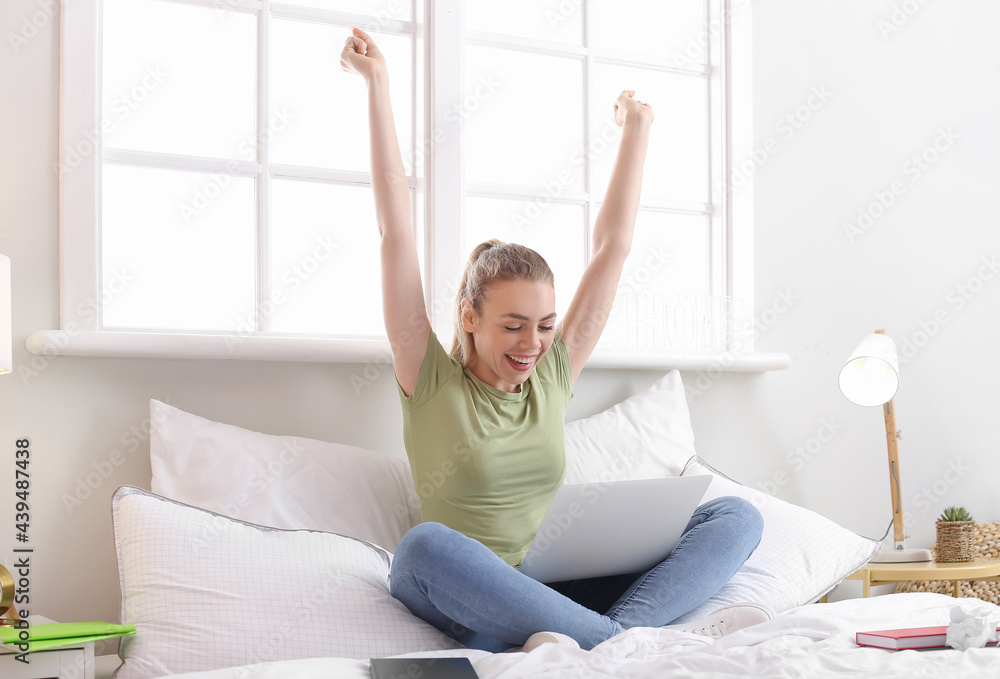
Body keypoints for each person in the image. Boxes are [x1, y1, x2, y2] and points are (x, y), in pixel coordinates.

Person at [340, 26, 768, 653]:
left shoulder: (551, 375)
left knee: (737, 515)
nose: (532, 344)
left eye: (544, 326)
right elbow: (394, 233)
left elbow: (613, 249)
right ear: (468, 317)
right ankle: (642, 643)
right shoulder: (429, 379)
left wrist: (637, 131)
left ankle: (605, 640)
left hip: (551, 590)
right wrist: (378, 86)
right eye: (512, 326)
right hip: (460, 592)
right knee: (421, 546)